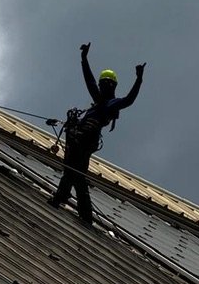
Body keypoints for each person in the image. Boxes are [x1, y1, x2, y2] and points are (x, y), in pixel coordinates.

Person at [49, 43, 145, 226]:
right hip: (79, 140)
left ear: (111, 86)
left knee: (74, 173)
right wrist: (84, 58)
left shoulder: (108, 104)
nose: (103, 86)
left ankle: (66, 203)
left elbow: (128, 100)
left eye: (106, 84)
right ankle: (68, 203)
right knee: (72, 172)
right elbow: (90, 80)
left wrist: (139, 80)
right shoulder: (101, 101)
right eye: (103, 84)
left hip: (84, 142)